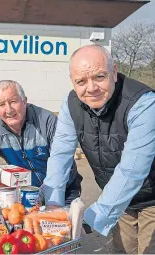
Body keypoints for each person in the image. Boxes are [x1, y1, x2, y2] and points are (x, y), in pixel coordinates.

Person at [42, 44, 155, 254]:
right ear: (72, 82)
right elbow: (60, 155)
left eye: (99, 76)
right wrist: (53, 208)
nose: (91, 88)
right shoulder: (71, 104)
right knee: (123, 251)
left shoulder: (143, 102)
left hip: (151, 195)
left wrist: (89, 221)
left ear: (113, 72)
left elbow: (133, 169)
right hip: (118, 196)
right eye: (81, 81)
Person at [0, 80, 81, 203]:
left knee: (65, 221)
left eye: (13, 101)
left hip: (63, 189)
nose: (9, 110)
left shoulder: (46, 121)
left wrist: (41, 195)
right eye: (1, 105)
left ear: (24, 101)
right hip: (25, 194)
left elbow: (62, 164)